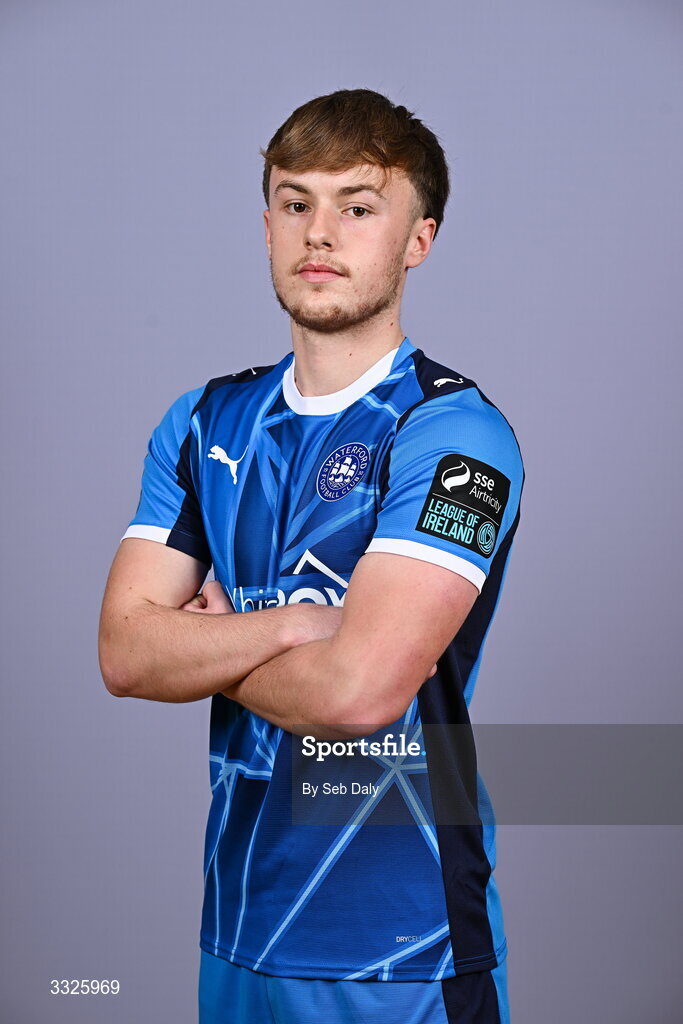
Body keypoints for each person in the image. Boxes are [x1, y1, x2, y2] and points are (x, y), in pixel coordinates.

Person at [99, 88, 524, 1024]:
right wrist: (295, 624)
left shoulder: (455, 440)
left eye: (358, 206)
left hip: (400, 948)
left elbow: (357, 698)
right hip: (238, 928)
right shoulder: (205, 420)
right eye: (296, 203)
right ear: (265, 226)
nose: (319, 232)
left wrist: (205, 642)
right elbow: (124, 655)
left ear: (418, 239)